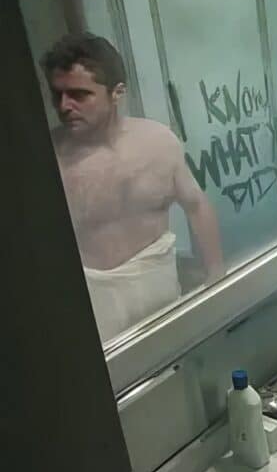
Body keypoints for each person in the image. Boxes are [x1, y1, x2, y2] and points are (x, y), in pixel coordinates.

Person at [42, 33, 224, 343]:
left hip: (156, 285)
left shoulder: (158, 142)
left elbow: (195, 204)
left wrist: (217, 274)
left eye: (79, 94)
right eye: (57, 94)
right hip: (92, 298)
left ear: (117, 92)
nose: (64, 106)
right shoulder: (48, 158)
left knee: (174, 362)